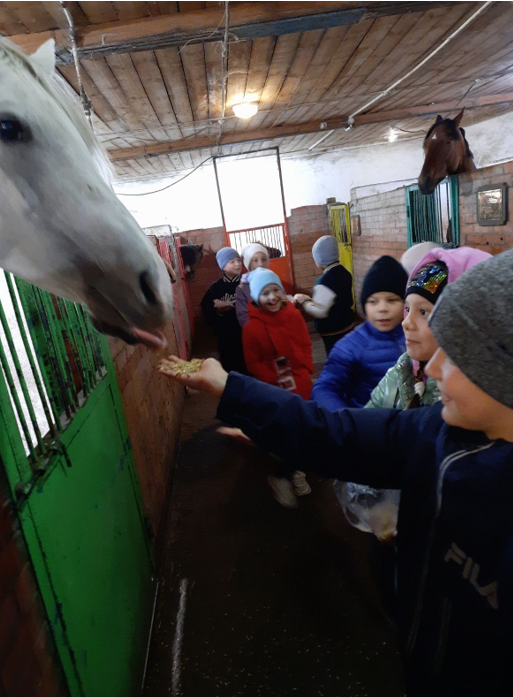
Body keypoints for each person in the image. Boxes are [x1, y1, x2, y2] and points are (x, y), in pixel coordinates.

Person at [159, 248, 512, 697]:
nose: (437, 365)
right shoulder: (435, 433)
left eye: (457, 355)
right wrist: (232, 389)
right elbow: (335, 433)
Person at [340, 246, 491, 543]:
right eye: (408, 308)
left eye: (424, 312)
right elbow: (367, 429)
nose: (406, 322)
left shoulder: (476, 400)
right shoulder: (404, 371)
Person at [243, 267, 313, 506]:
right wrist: (272, 380)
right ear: (255, 298)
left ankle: (296, 470)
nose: (272, 297)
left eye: (276, 290)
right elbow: (253, 361)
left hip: (300, 383)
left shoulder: (293, 316)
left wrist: (306, 369)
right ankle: (283, 474)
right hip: (273, 388)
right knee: (284, 433)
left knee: (302, 428)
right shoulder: (251, 328)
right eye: (265, 293)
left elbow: (305, 343)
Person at [311, 255, 407, 410]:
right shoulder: (351, 345)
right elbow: (324, 388)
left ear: (405, 303)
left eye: (392, 300)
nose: (382, 308)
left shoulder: (414, 335)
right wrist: (348, 420)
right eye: (373, 301)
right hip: (369, 427)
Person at [294, 235, 355, 354]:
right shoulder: (344, 272)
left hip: (333, 331)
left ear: (319, 259)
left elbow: (320, 311)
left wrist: (304, 301)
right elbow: (334, 299)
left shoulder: (325, 281)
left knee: (336, 358)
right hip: (348, 324)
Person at [200, 247, 245, 373]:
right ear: (223, 267)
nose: (237, 264)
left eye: (239, 260)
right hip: (226, 337)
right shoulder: (216, 288)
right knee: (230, 368)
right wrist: (219, 313)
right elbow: (206, 308)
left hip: (247, 333)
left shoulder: (248, 282)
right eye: (232, 261)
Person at [236, 243, 270, 327]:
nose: (261, 264)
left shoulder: (273, 281)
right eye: (255, 260)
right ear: (248, 263)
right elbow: (243, 316)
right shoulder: (242, 288)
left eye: (264, 259)